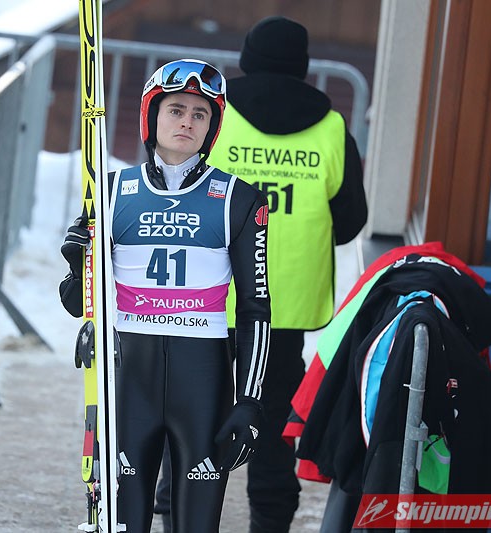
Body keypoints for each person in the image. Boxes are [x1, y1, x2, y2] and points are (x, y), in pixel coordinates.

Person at [154, 17, 367, 533]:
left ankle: (174, 508)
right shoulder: (331, 129)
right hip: (284, 307)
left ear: (247, 58)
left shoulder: (215, 117)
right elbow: (350, 221)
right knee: (270, 424)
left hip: (209, 296)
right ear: (304, 65)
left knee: (194, 411)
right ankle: (269, 521)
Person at [58, 59, 272, 533]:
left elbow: (256, 307)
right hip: (129, 381)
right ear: (151, 116)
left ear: (212, 127)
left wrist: (249, 400)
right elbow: (78, 303)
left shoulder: (239, 199)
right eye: (176, 110)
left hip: (203, 382)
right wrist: (77, 267)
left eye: (200, 114)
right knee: (122, 523)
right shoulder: (111, 192)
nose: (187, 122)